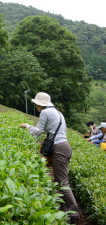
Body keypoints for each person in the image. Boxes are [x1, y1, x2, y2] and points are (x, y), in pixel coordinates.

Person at [20, 92, 79, 224]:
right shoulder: (58, 113)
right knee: (60, 180)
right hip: (64, 146)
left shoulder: (45, 113)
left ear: (40, 104)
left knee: (62, 181)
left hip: (59, 147)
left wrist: (27, 126)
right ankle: (66, 211)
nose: (36, 106)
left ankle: (73, 215)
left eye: (36, 104)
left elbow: (38, 131)